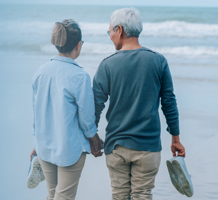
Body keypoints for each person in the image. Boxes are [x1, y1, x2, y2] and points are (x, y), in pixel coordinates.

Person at [93, 8, 185, 200]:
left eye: (109, 31)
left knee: (119, 195)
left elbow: (95, 105)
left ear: (119, 30)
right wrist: (175, 139)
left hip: (116, 147)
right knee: (143, 195)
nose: (109, 36)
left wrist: (93, 137)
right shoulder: (158, 61)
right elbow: (169, 102)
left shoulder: (107, 65)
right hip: (148, 147)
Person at [30, 19, 104, 200]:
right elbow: (87, 119)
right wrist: (94, 139)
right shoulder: (80, 77)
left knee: (51, 194)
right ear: (79, 45)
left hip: (45, 145)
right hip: (69, 148)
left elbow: (37, 113)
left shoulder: (40, 72)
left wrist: (36, 143)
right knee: (64, 196)